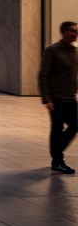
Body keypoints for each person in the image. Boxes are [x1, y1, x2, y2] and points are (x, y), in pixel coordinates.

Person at [38, 20, 78, 174]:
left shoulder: (74, 52)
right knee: (57, 127)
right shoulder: (52, 50)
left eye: (76, 31)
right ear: (64, 32)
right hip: (56, 98)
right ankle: (57, 161)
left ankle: (56, 148)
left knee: (75, 125)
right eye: (71, 30)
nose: (74, 34)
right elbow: (43, 75)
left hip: (70, 97)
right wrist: (46, 99)